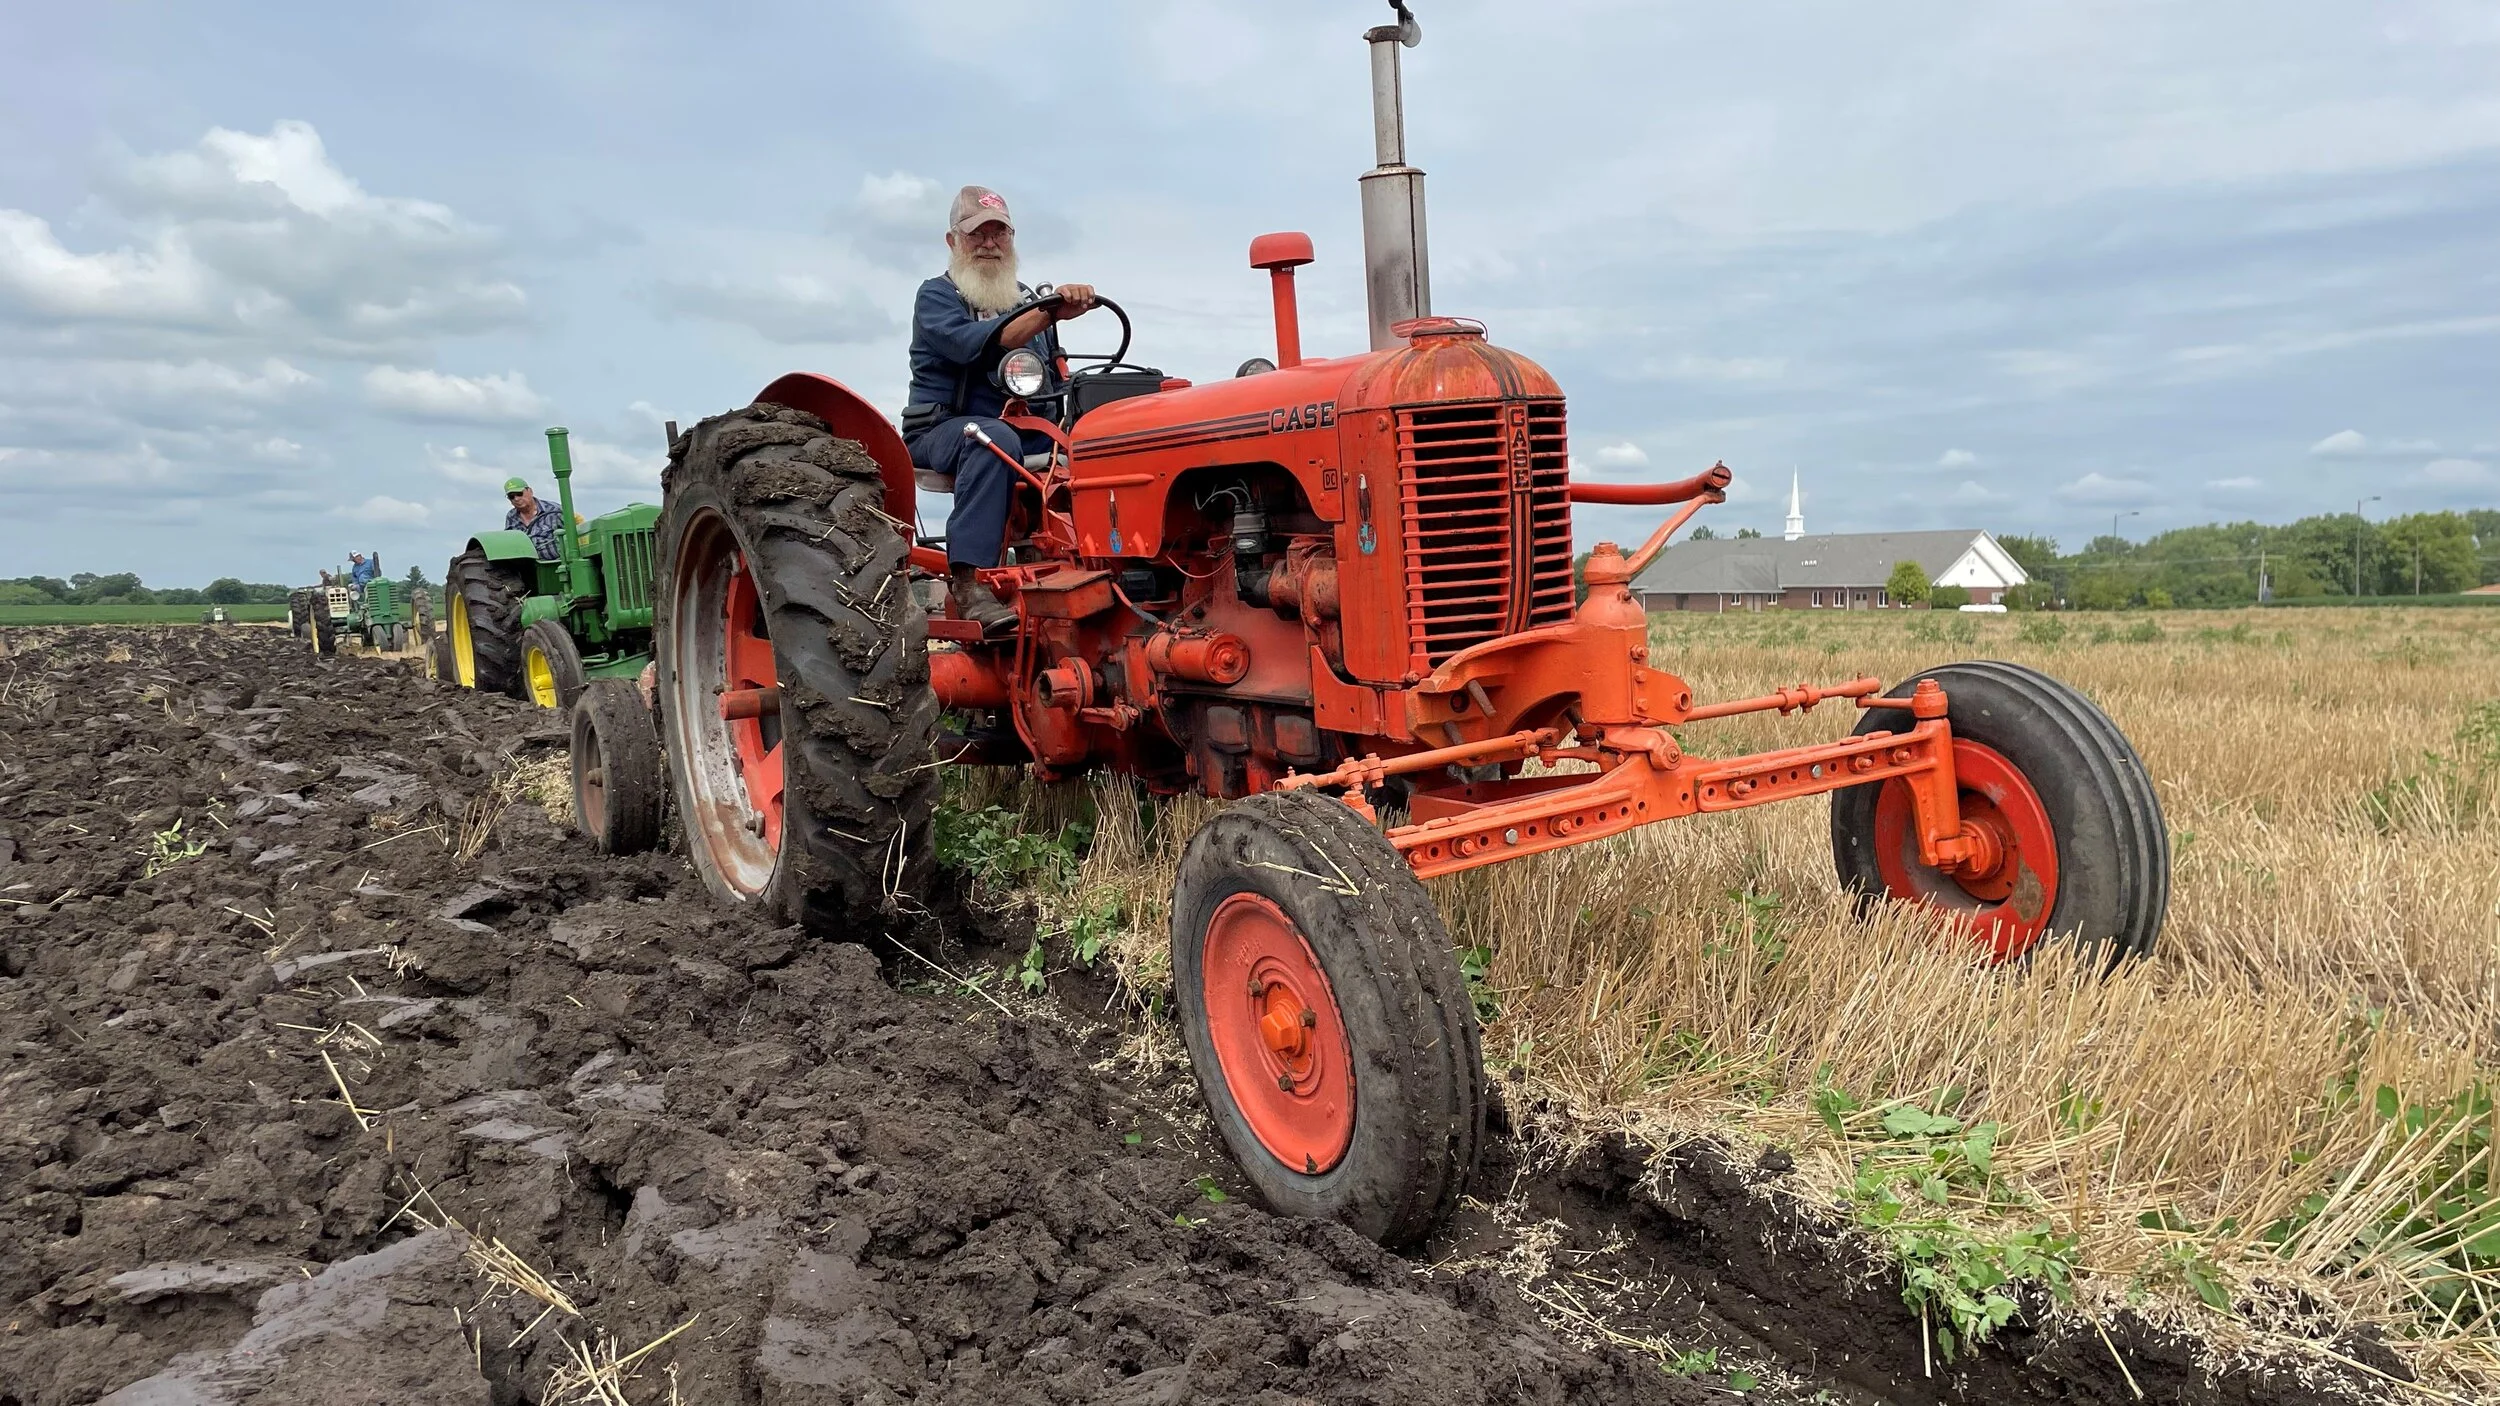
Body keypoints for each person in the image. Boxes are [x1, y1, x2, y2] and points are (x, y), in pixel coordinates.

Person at [902, 185, 1098, 633]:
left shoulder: (1029, 300)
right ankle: (970, 583)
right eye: (977, 234)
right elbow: (975, 345)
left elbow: (1053, 380)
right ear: (953, 242)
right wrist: (1049, 312)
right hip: (944, 429)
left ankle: (1083, 565)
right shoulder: (936, 296)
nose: (989, 244)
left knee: (1098, 437)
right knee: (994, 440)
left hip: (1026, 430)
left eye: (999, 234)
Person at [504, 477, 567, 561]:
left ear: (530, 491)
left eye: (519, 494)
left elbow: (573, 535)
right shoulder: (511, 516)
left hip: (555, 563)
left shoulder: (554, 510)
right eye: (511, 496)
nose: (516, 499)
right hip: (526, 566)